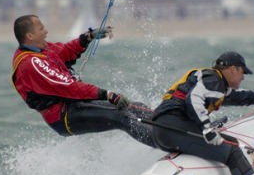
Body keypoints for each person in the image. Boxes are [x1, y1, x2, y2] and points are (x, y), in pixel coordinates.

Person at [11, 14, 154, 146]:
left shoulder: (41, 50)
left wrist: (88, 37)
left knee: (135, 107)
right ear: (30, 35)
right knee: (122, 116)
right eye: (41, 28)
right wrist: (107, 94)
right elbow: (69, 87)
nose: (46, 31)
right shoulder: (31, 63)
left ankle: (169, 126)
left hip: (74, 105)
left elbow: (65, 52)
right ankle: (164, 141)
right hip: (64, 116)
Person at [150, 51, 254, 175]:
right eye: (242, 72)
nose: (243, 77)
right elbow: (194, 98)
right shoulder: (213, 80)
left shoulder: (216, 85)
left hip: (165, 128)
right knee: (231, 150)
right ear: (233, 69)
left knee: (230, 141)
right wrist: (207, 128)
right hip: (173, 126)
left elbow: (242, 97)